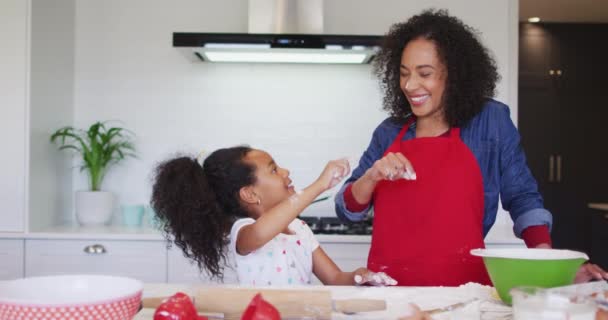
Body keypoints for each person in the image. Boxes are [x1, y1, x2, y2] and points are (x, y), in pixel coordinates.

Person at [335, 9, 608, 286]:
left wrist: (550, 263)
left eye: (424, 73)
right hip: (390, 293)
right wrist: (371, 176)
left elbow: (522, 196)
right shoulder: (389, 132)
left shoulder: (490, 122)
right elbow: (347, 211)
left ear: (454, 75)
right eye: (404, 73)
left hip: (465, 294)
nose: (409, 84)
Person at [151, 146, 397, 286]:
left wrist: (358, 277)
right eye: (273, 169)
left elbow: (333, 278)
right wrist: (320, 184)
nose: (285, 171)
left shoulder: (299, 229)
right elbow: (260, 232)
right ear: (250, 194)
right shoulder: (242, 231)